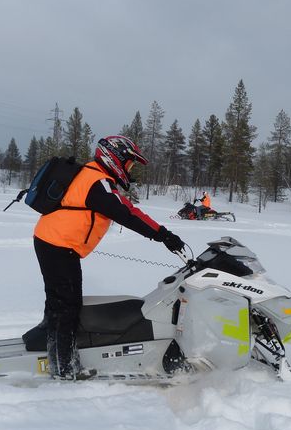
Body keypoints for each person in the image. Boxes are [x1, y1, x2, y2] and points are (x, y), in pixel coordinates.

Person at [33, 135, 185, 379]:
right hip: (57, 245)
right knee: (66, 306)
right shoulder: (97, 182)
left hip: (54, 243)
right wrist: (162, 235)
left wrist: (162, 233)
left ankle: (50, 339)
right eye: (129, 163)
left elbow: (128, 209)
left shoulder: (95, 177)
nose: (130, 169)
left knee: (61, 302)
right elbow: (127, 214)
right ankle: (64, 368)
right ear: (115, 158)